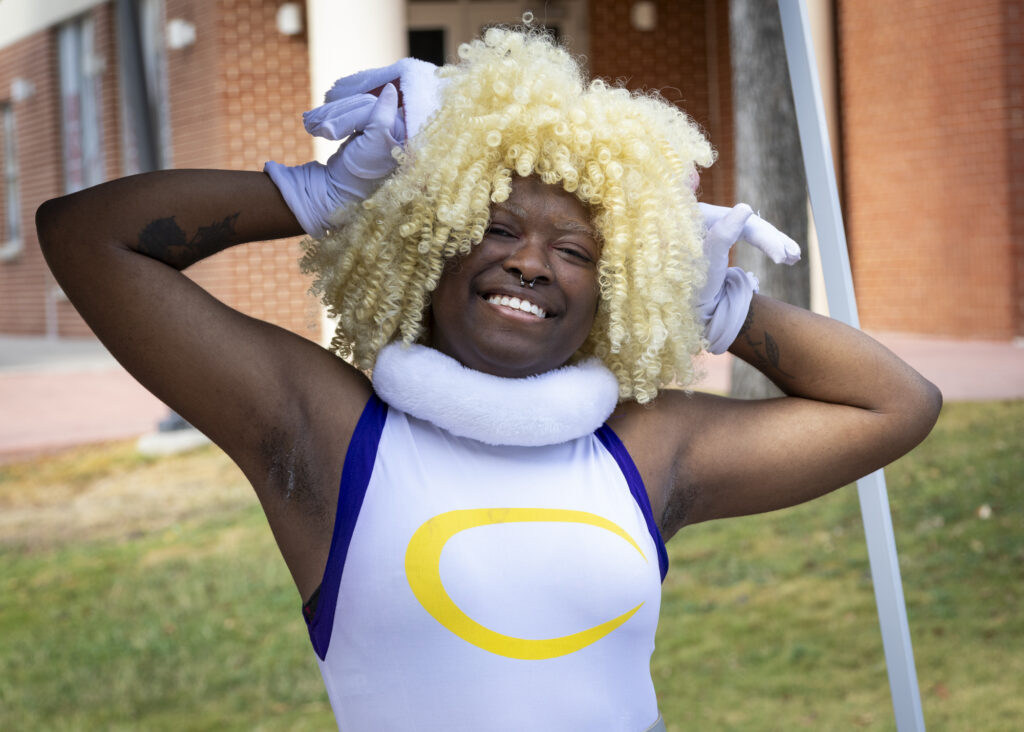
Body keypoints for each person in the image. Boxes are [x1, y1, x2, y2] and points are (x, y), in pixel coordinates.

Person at [36, 27, 940, 732]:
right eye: (498, 228)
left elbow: (899, 404)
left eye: (577, 250)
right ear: (426, 244)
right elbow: (85, 237)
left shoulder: (648, 448)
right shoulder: (328, 435)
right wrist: (317, 195)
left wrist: (719, 311)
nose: (532, 263)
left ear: (613, 290)